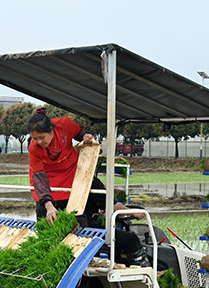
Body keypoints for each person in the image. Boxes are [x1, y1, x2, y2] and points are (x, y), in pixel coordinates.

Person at [27, 108, 146, 264]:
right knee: (47, 223)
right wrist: (49, 205)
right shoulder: (34, 148)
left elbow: (80, 132)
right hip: (49, 182)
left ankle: (84, 257)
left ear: (51, 131)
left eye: (42, 137)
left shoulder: (63, 125)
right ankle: (50, 260)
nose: (39, 142)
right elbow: (39, 177)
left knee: (81, 217)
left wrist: (86, 137)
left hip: (71, 171)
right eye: (35, 138)